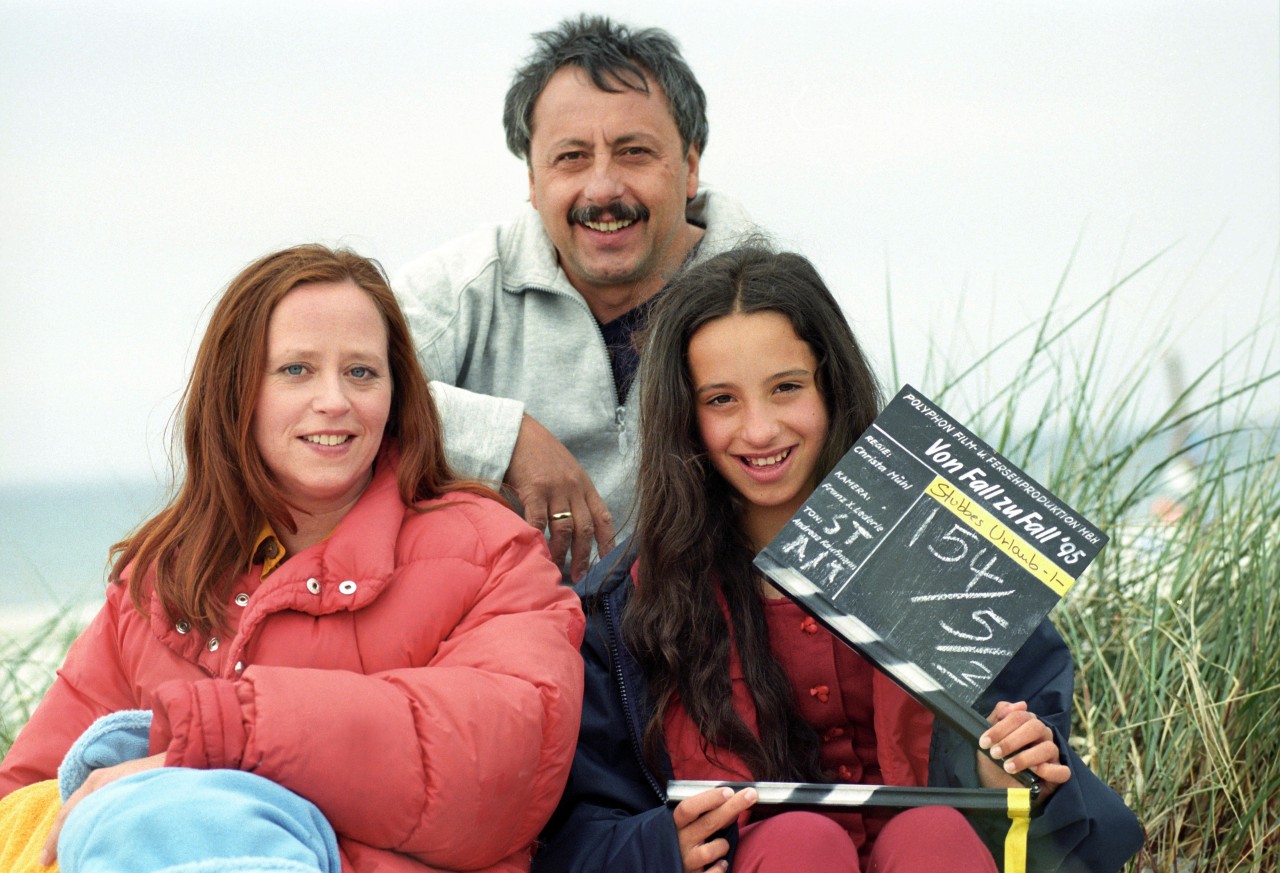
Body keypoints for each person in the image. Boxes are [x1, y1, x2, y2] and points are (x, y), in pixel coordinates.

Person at [533, 246, 1144, 873]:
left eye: (787, 388)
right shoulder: (625, 605)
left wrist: (1012, 779)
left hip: (945, 858)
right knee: (802, 844)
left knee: (934, 834)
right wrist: (662, 847)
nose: (761, 429)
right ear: (684, 416)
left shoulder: (951, 558)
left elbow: (1054, 815)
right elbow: (574, 835)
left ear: (833, 384)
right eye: (722, 400)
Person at [0, 244, 585, 872]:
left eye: (361, 371)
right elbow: (28, 799)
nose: (334, 400)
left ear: (396, 392)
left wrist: (223, 739)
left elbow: (493, 767)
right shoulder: (160, 576)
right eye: (296, 370)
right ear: (236, 392)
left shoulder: (492, 551)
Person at [394, 15, 758, 580]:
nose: (603, 189)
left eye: (634, 152)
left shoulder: (774, 294)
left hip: (714, 636)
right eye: (572, 157)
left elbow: (861, 462)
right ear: (533, 181)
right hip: (508, 630)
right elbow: (328, 399)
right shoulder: (459, 288)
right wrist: (506, 438)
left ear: (689, 166)